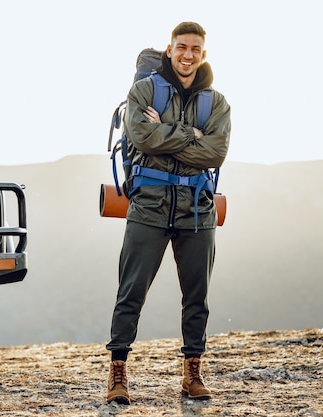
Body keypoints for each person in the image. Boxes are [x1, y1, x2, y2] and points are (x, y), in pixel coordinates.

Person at [106, 21, 231, 405]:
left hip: (197, 211)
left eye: (195, 49)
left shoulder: (217, 102)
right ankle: (117, 374)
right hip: (149, 206)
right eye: (181, 47)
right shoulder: (144, 89)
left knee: (197, 295)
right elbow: (142, 136)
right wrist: (192, 134)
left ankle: (192, 371)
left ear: (203, 54)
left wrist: (170, 134)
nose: (188, 54)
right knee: (131, 293)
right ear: (170, 48)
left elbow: (215, 152)